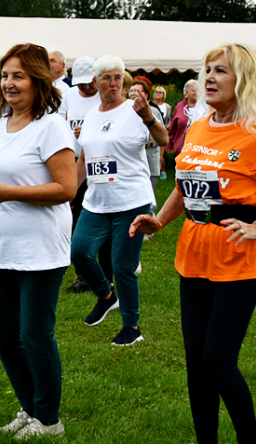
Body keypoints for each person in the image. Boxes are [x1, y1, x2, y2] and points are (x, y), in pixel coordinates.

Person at [131, 43, 256, 444]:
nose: (208, 77)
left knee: (218, 361)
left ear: (243, 80)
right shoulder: (198, 125)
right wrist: (158, 220)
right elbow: (184, 187)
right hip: (194, 252)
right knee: (196, 363)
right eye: (207, 69)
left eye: (220, 71)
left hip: (241, 255)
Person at [0, 43, 76, 439]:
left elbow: (66, 188)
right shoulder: (1, 124)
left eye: (19, 76)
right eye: (6, 75)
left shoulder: (52, 126)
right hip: (2, 244)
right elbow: (3, 180)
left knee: (34, 332)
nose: (9, 83)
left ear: (39, 81)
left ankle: (49, 419)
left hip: (41, 245)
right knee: (0, 329)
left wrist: (8, 193)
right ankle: (29, 407)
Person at [71, 56, 168, 346]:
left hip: (130, 200)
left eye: (118, 78)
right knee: (79, 252)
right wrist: (68, 193)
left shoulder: (136, 110)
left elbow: (163, 140)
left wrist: (148, 117)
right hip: (97, 201)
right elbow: (84, 159)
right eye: (107, 78)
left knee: (123, 265)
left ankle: (132, 327)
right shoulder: (90, 116)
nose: (113, 84)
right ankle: (106, 296)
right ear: (95, 82)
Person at [63, 57, 101, 293]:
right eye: (80, 84)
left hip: (98, 164)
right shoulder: (70, 95)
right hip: (75, 163)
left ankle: (105, 273)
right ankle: (84, 276)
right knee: (76, 218)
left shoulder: (104, 97)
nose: (85, 88)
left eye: (89, 83)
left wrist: (89, 131)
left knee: (97, 218)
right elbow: (64, 122)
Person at [167, 79, 199, 157]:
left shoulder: (205, 106)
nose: (197, 93)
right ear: (186, 93)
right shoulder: (179, 106)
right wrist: (169, 143)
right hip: (182, 147)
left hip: (199, 146)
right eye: (194, 90)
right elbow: (173, 128)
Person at [49, 50, 71, 118]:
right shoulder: (40, 86)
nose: (48, 64)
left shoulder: (71, 85)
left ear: (63, 65)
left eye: (52, 61)